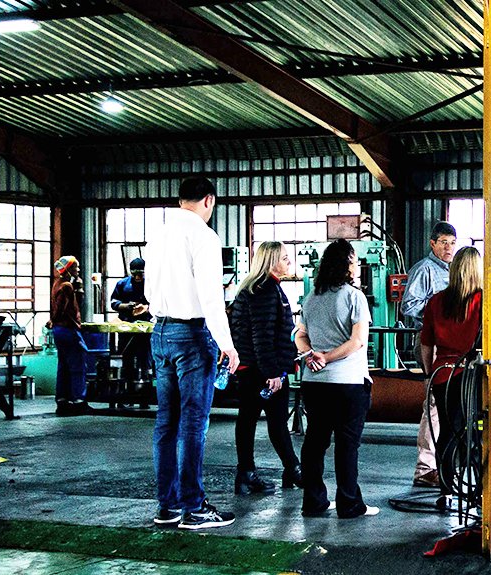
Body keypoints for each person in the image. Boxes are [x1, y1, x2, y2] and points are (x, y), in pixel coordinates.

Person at [146, 177, 239, 530]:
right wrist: (227, 344)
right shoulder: (203, 236)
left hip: (160, 331)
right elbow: (211, 298)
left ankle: (167, 506)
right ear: (208, 200)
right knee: (193, 423)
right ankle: (194, 508)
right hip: (192, 334)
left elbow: (150, 289)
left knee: (165, 423)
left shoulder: (159, 234)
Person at [295, 239, 379, 519]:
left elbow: (300, 336)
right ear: (346, 265)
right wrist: (327, 357)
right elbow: (357, 342)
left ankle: (314, 502)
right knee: (346, 445)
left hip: (315, 383)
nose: (356, 266)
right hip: (348, 382)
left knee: (315, 442)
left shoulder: (311, 298)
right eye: (354, 261)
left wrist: (311, 355)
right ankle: (349, 504)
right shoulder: (355, 297)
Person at [228, 241, 302, 495]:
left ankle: (248, 474)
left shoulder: (256, 288)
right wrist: (273, 372)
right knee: (276, 422)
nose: (289, 261)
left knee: (249, 420)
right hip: (264, 371)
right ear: (271, 261)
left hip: (252, 368)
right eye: (284, 258)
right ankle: (292, 469)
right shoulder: (265, 291)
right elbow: (262, 335)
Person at [419, 247, 483, 504]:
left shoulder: (436, 301)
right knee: (477, 432)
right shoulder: (485, 300)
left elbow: (426, 343)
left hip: (442, 376)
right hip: (474, 376)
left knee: (447, 433)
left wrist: (428, 373)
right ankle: (478, 489)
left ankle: (446, 490)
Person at [401, 221, 457, 488]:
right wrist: (439, 314)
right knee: (433, 407)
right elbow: (409, 305)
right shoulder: (424, 270)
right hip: (430, 342)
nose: (448, 248)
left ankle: (445, 464)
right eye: (444, 242)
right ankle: (425, 469)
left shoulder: (452, 271)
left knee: (447, 407)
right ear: (432, 244)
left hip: (449, 344)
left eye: (452, 243)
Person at [51, 255, 90, 416]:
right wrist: (79, 288)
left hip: (59, 330)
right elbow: (64, 308)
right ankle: (78, 400)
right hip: (68, 329)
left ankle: (62, 399)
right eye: (75, 267)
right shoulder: (67, 286)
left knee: (63, 365)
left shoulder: (57, 284)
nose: (78, 270)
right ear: (68, 269)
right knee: (78, 363)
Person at [110, 258, 152, 385]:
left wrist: (146, 309)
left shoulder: (150, 285)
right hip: (126, 326)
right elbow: (113, 302)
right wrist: (125, 306)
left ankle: (144, 386)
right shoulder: (122, 284)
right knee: (126, 356)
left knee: (144, 357)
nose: (138, 277)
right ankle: (126, 385)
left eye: (141, 274)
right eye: (135, 274)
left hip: (145, 327)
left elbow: (159, 303)